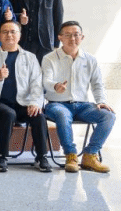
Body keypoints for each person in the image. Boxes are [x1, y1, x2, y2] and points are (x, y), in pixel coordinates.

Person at [43, 21, 115, 173]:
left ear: (82, 37)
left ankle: (90, 155)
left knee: (109, 115)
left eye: (76, 35)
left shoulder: (90, 59)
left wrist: (101, 101)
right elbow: (45, 81)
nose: (72, 38)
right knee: (62, 114)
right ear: (60, 37)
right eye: (68, 35)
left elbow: (97, 84)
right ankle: (71, 155)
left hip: (83, 106)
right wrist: (55, 86)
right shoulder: (49, 58)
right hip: (57, 104)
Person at [0, 21, 51, 173]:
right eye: (5, 32)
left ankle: (42, 157)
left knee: (39, 116)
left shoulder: (30, 57)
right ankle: (1, 157)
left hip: (24, 104)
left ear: (19, 35)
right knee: (8, 114)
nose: (9, 35)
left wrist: (35, 103)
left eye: (13, 32)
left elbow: (36, 83)